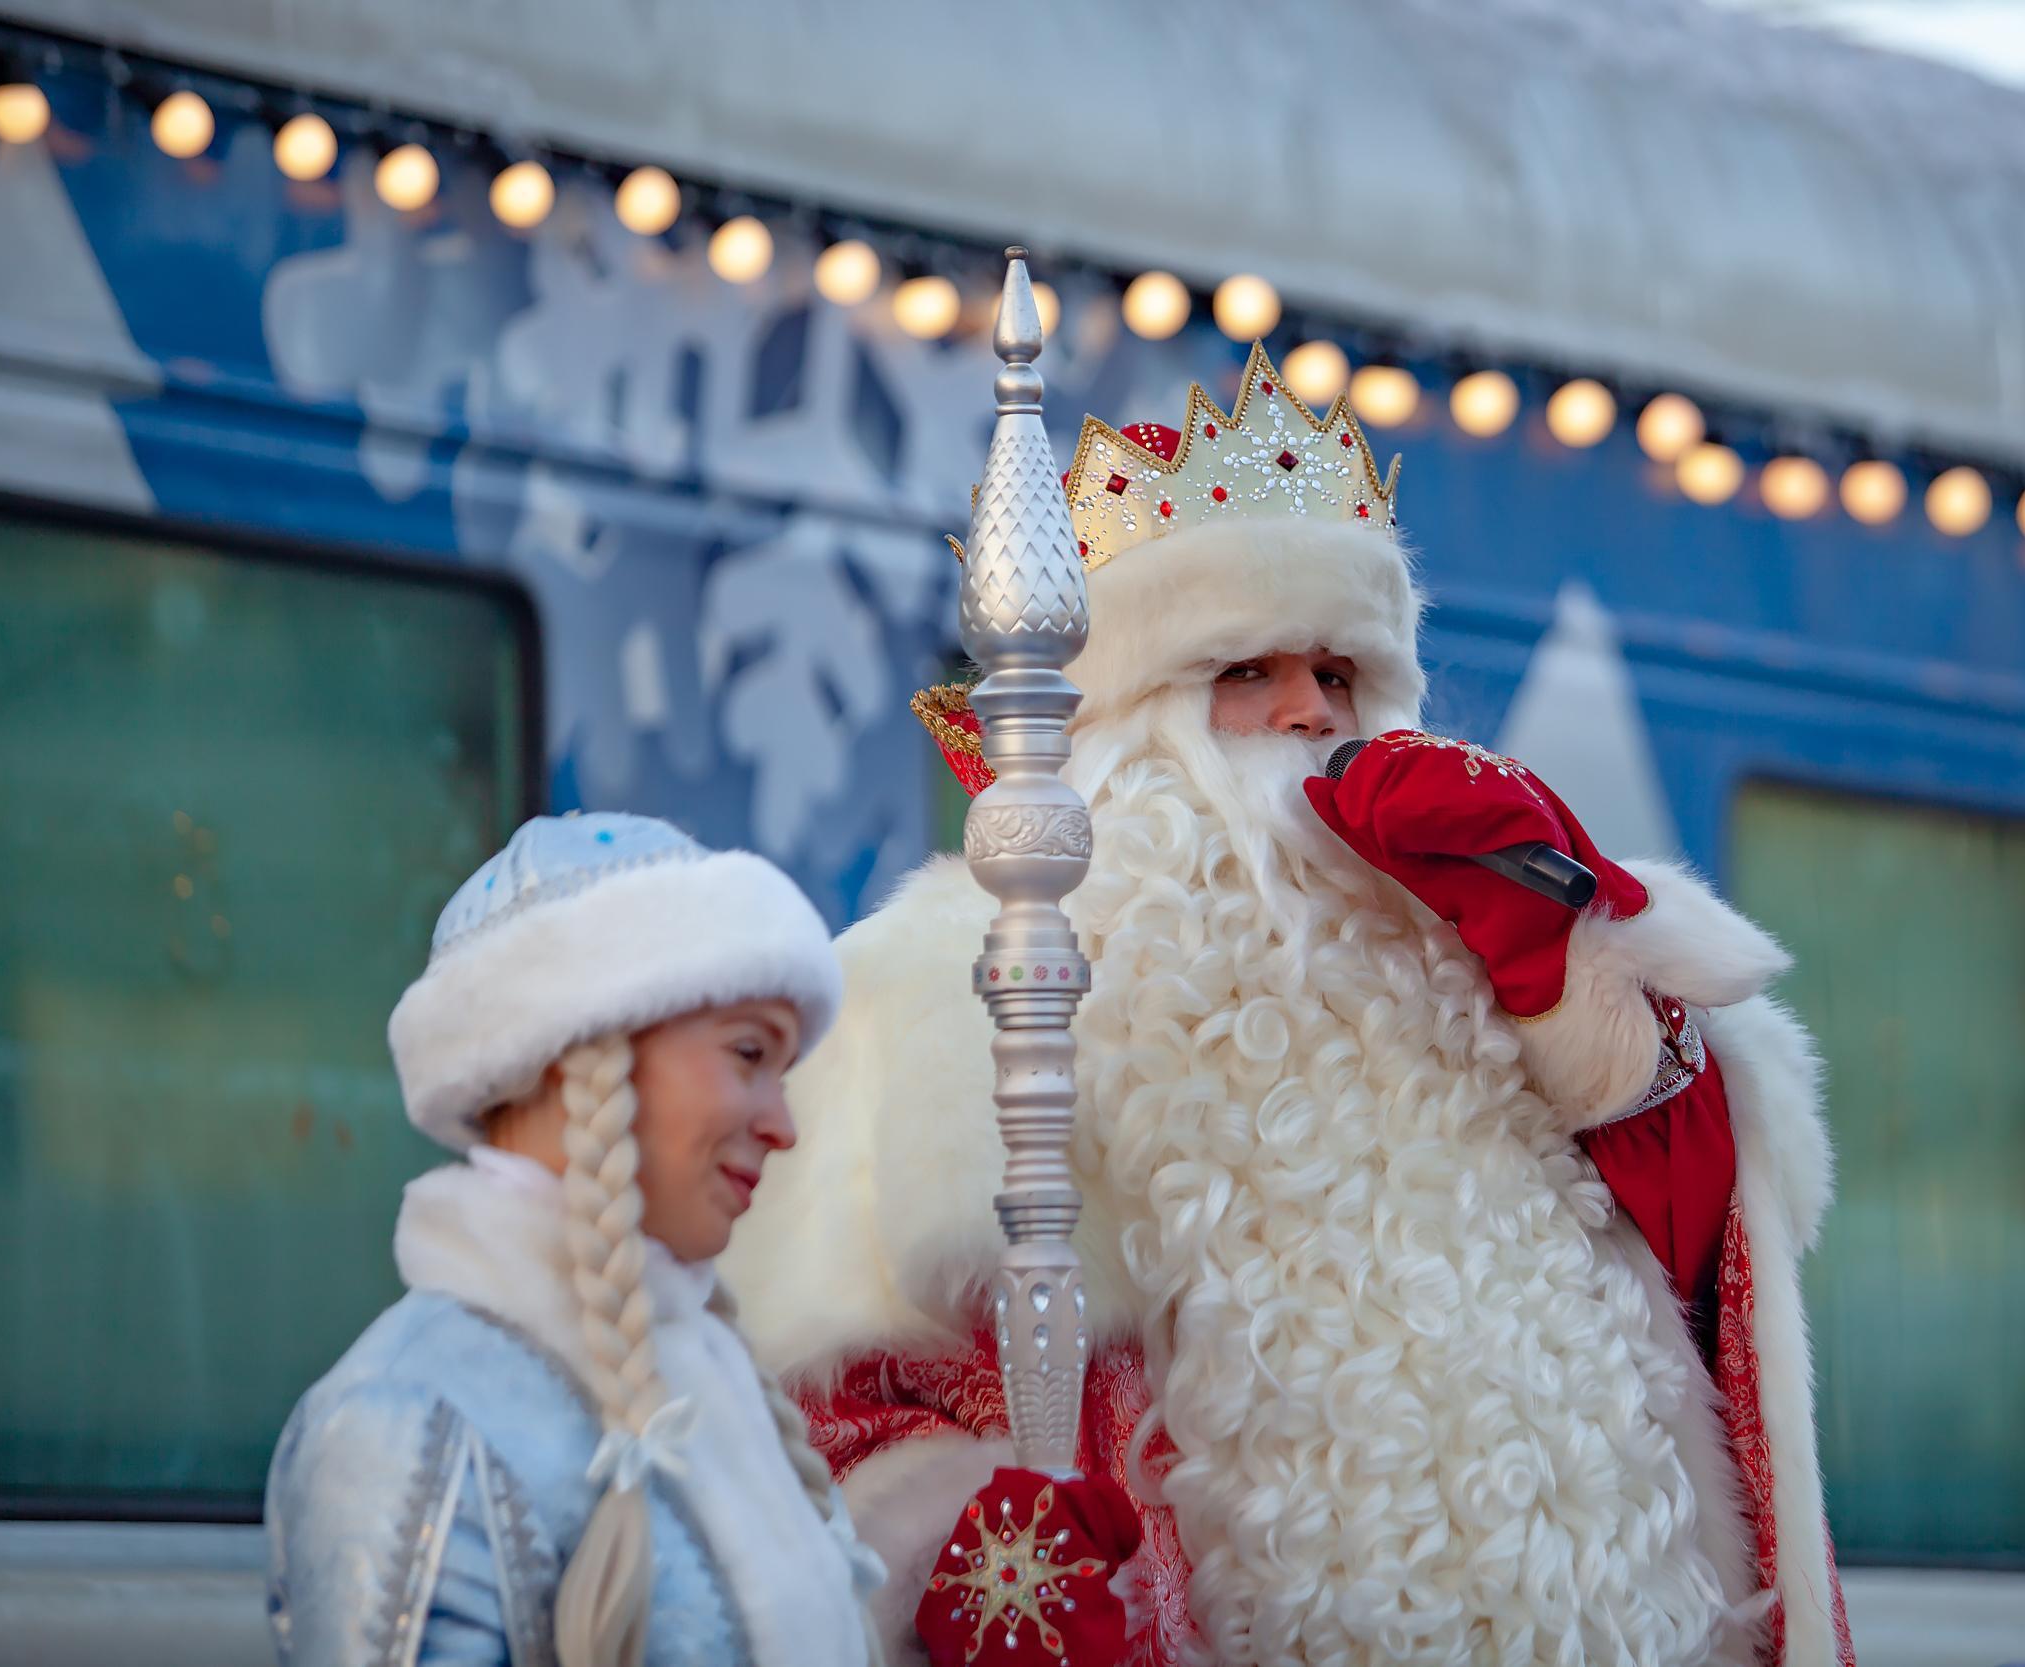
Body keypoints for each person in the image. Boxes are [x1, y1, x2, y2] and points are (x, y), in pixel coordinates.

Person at [722, 346, 1851, 1666]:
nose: (1309, 712)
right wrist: (958, 1551)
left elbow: (1716, 1255)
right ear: (1128, 725)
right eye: (1246, 672)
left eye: (1339, 674)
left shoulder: (1491, 932)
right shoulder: (950, 981)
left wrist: (1567, 958)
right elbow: (825, 1420)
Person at [265, 812, 886, 1667]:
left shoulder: (712, 1386)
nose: (783, 1126)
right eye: (749, 1053)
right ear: (575, 1050)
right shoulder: (404, 1416)